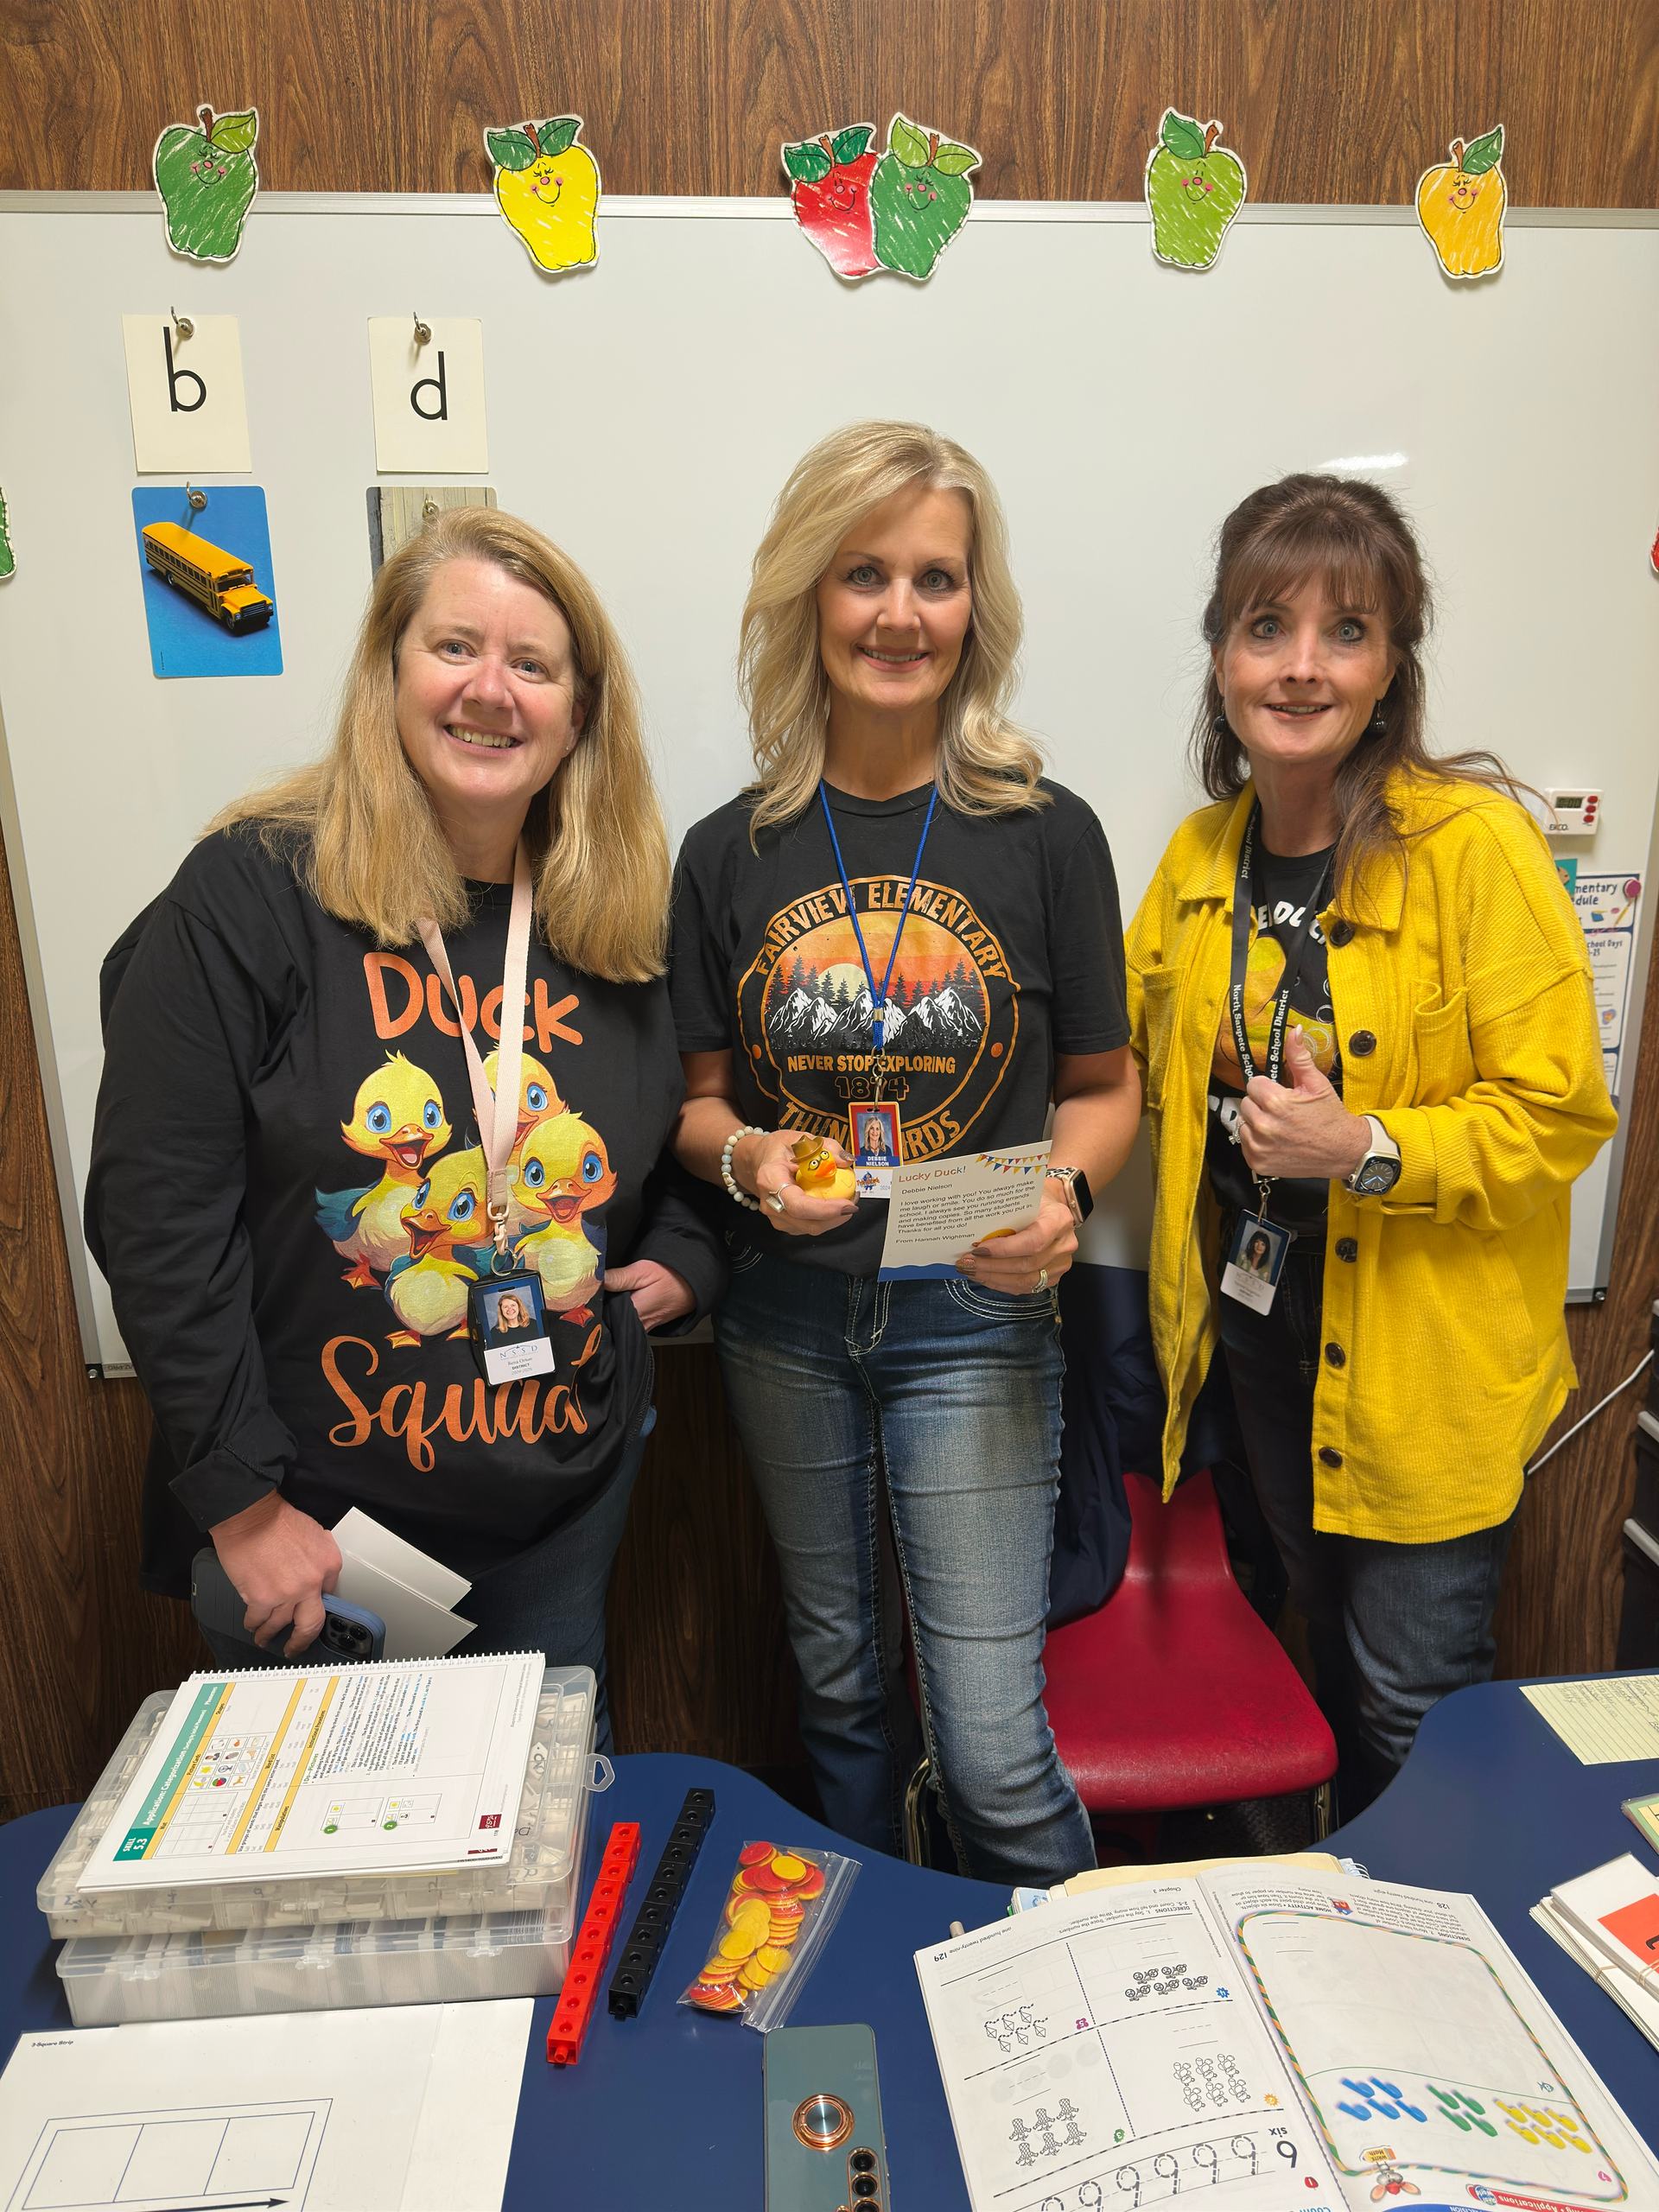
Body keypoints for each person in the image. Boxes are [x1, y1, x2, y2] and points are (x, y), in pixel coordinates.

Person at [86, 508, 724, 1747]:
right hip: (318, 1543)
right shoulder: (253, 892)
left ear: (579, 713)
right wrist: (239, 1507)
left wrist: (687, 1267)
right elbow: (154, 1211)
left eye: (533, 665)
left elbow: (684, 1140)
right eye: (453, 649)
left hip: (559, 1510)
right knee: (333, 1898)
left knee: (538, 1884)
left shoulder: (615, 920)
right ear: (389, 673)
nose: (491, 691)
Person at [670, 421, 1142, 1885]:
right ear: (810, 594)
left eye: (936, 578)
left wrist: (1058, 1194)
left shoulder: (1047, 832)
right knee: (839, 1700)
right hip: (786, 1317)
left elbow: (1105, 1087)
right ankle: (876, 1985)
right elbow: (694, 1102)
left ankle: (1063, 2050)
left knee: (994, 1746)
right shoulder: (727, 847)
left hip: (975, 1301)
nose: (899, 612)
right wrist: (749, 1162)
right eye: (864, 573)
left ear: (973, 609)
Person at [1125, 473, 1617, 1812]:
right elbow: (1127, 1067)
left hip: (1427, 1379)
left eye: (1346, 632)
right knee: (1312, 1659)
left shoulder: (1474, 849)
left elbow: (1561, 1112)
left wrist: (1367, 1146)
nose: (1299, 668)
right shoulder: (1198, 861)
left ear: (1393, 665)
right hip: (1268, 1350)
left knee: (1412, 1696)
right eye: (1264, 626)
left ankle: (1450, 1973)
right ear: (1220, 654)